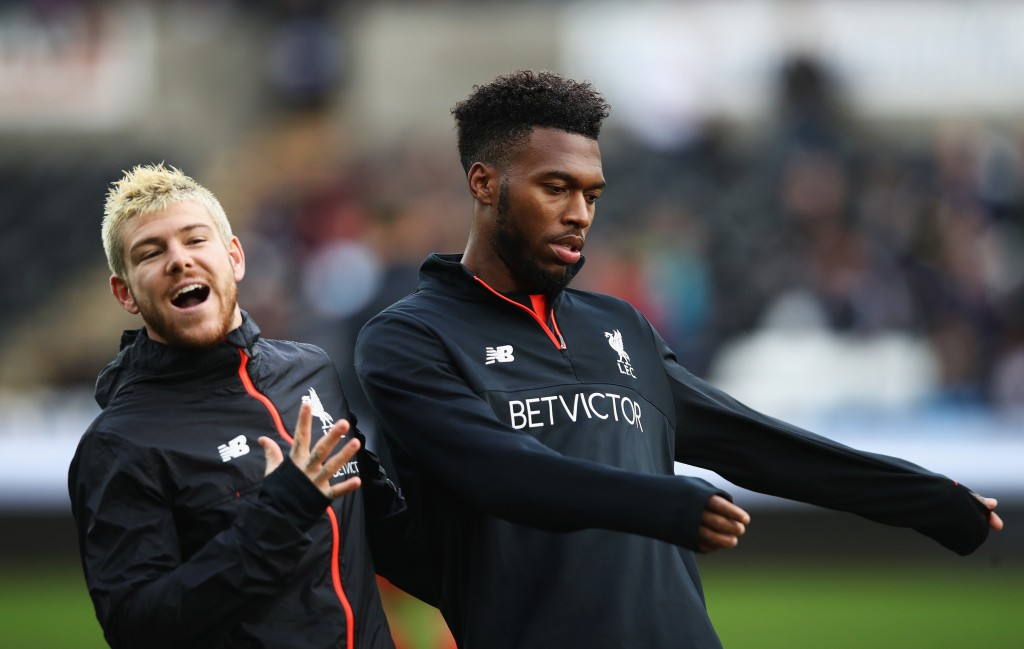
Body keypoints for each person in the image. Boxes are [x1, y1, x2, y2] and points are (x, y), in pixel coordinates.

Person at [353, 70, 1004, 649]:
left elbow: (752, 441)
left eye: (593, 194)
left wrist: (925, 497)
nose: (581, 214)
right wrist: (661, 502)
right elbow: (504, 473)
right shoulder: (409, 338)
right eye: (556, 188)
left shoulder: (620, 327)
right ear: (484, 182)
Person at [68, 164, 404, 649]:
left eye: (194, 240)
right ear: (126, 294)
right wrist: (278, 514)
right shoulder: (120, 443)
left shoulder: (311, 370)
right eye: (151, 252)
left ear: (235, 258)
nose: (179, 261)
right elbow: (137, 627)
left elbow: (385, 530)